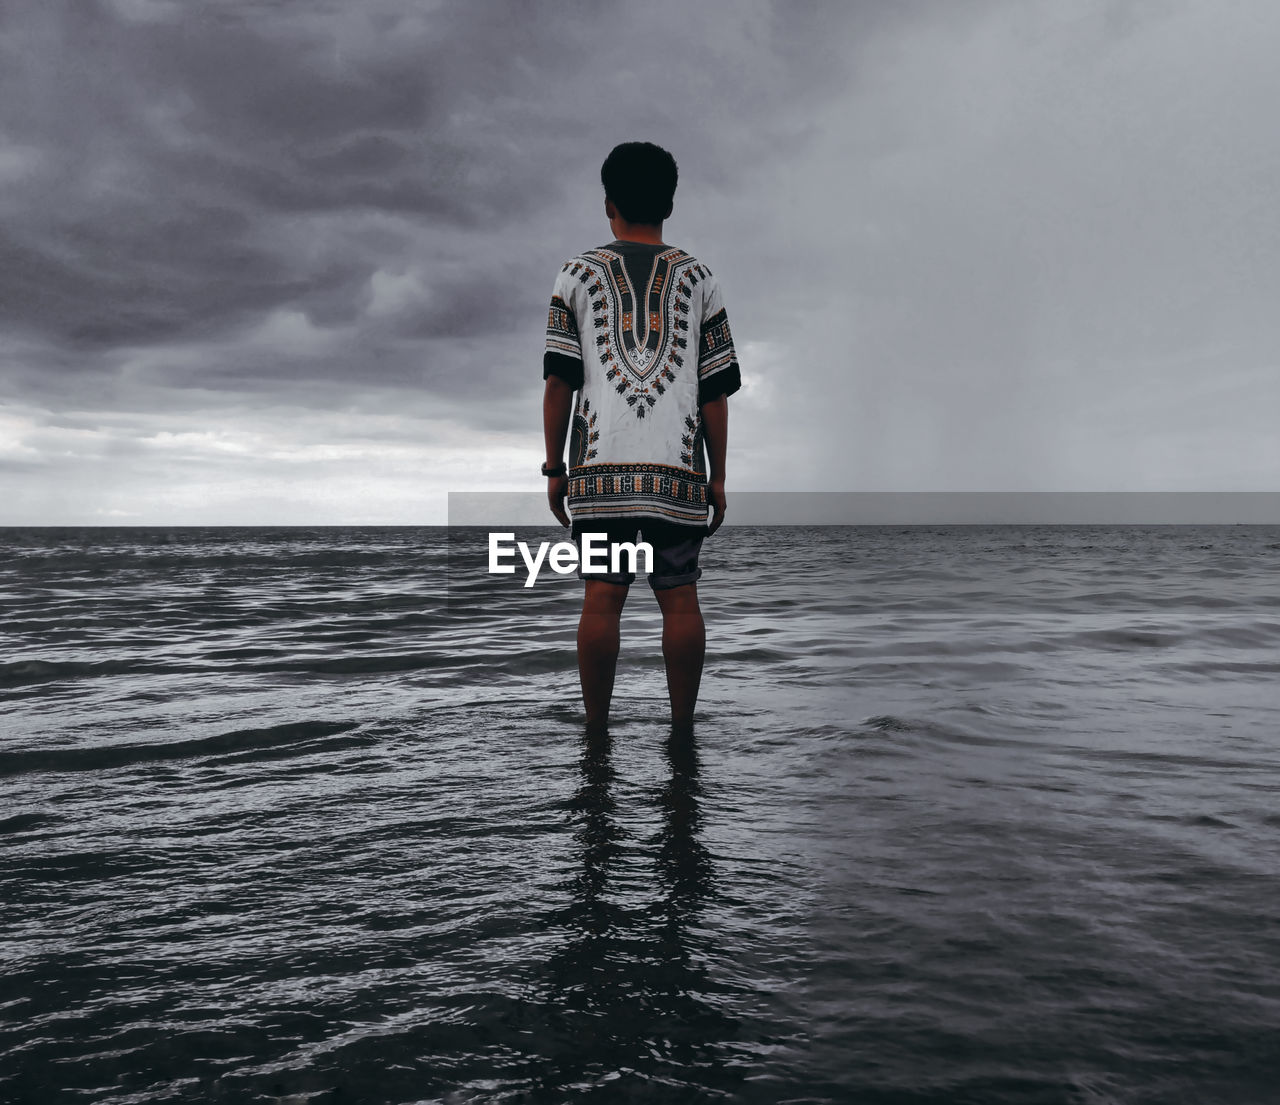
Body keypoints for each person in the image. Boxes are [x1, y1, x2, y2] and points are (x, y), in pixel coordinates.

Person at [541, 141, 741, 730]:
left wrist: (555, 469)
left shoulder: (575, 275)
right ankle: (682, 733)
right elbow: (714, 391)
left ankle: (597, 735)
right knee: (680, 596)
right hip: (678, 473)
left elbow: (560, 383)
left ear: (608, 203)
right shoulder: (700, 278)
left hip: (601, 474)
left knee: (602, 594)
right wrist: (718, 476)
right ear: (670, 205)